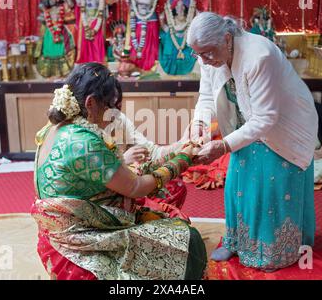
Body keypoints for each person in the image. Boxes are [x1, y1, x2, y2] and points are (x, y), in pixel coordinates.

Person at [31, 63, 207, 280]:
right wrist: (182, 160)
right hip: (78, 236)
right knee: (188, 243)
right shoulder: (82, 141)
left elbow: (149, 153)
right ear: (91, 103)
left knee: (165, 208)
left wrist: (181, 145)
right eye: (110, 107)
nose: (114, 113)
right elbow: (135, 187)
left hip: (68, 222)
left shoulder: (58, 127)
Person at [186, 12, 318, 271]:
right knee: (238, 183)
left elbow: (266, 117)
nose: (203, 60)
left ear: (226, 38)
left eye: (207, 53)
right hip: (245, 125)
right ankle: (237, 241)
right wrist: (200, 124)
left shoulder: (259, 56)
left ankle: (275, 250)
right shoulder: (209, 54)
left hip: (284, 126)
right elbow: (205, 95)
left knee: (272, 188)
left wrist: (223, 145)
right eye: (198, 55)